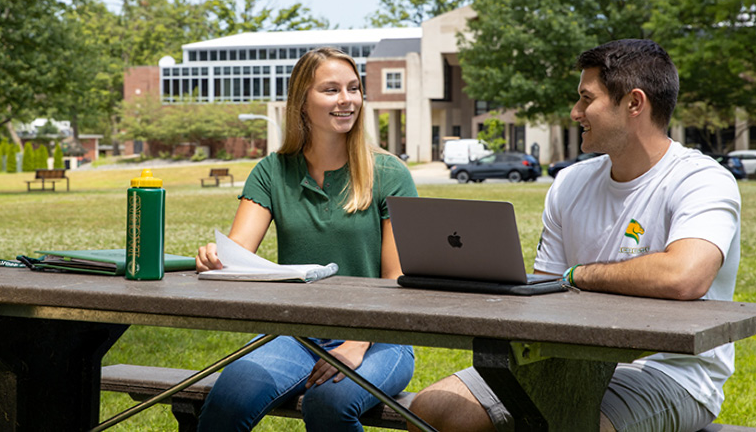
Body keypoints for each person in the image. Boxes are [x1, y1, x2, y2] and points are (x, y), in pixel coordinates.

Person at [408, 39, 741, 432]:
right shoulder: (570, 183)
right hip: (564, 360)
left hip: (670, 372)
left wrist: (578, 275)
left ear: (634, 103)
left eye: (587, 99)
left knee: (569, 425)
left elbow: (684, 276)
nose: (575, 112)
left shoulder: (702, 180)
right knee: (432, 411)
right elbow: (545, 293)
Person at [195, 47, 417, 432]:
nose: (346, 100)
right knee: (229, 398)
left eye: (353, 88)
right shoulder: (272, 172)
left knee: (329, 401)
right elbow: (237, 253)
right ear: (301, 101)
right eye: (331, 90)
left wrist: (357, 342)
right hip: (296, 335)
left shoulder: (390, 173)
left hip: (381, 338)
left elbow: (395, 279)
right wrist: (217, 257)